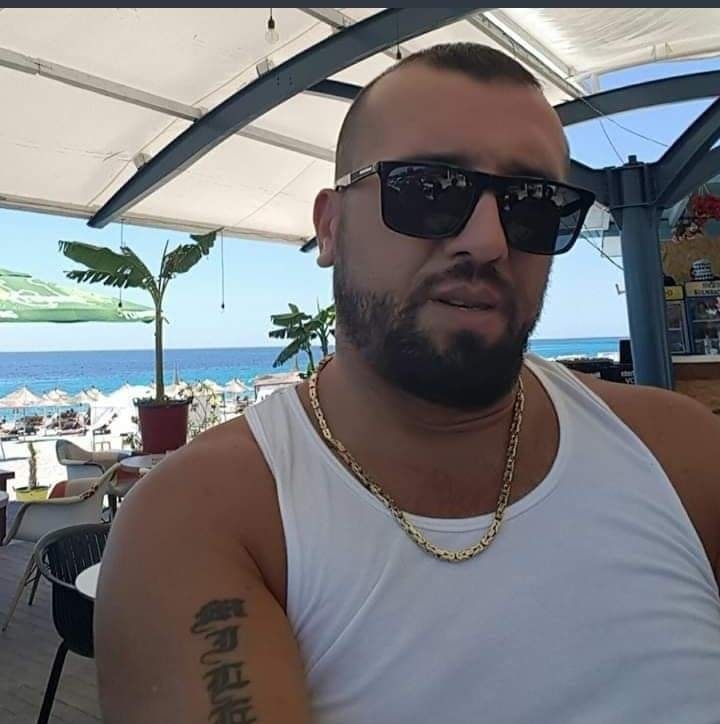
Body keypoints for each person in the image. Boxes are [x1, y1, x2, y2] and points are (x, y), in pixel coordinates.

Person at [96, 43, 720, 724]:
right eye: (429, 190)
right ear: (330, 227)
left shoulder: (679, 455)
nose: (488, 242)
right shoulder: (207, 521)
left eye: (534, 204)